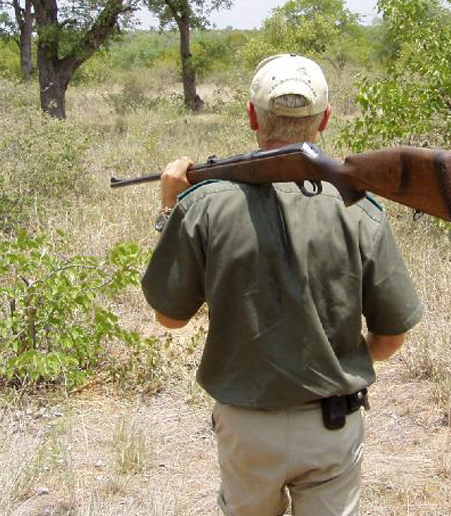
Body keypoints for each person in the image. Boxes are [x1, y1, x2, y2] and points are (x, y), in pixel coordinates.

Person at [141, 54, 422, 516]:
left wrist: (170, 210)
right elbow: (391, 338)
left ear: (252, 116)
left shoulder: (203, 205)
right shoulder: (360, 208)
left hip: (247, 429)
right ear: (324, 119)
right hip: (333, 425)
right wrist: (336, 360)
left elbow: (169, 318)